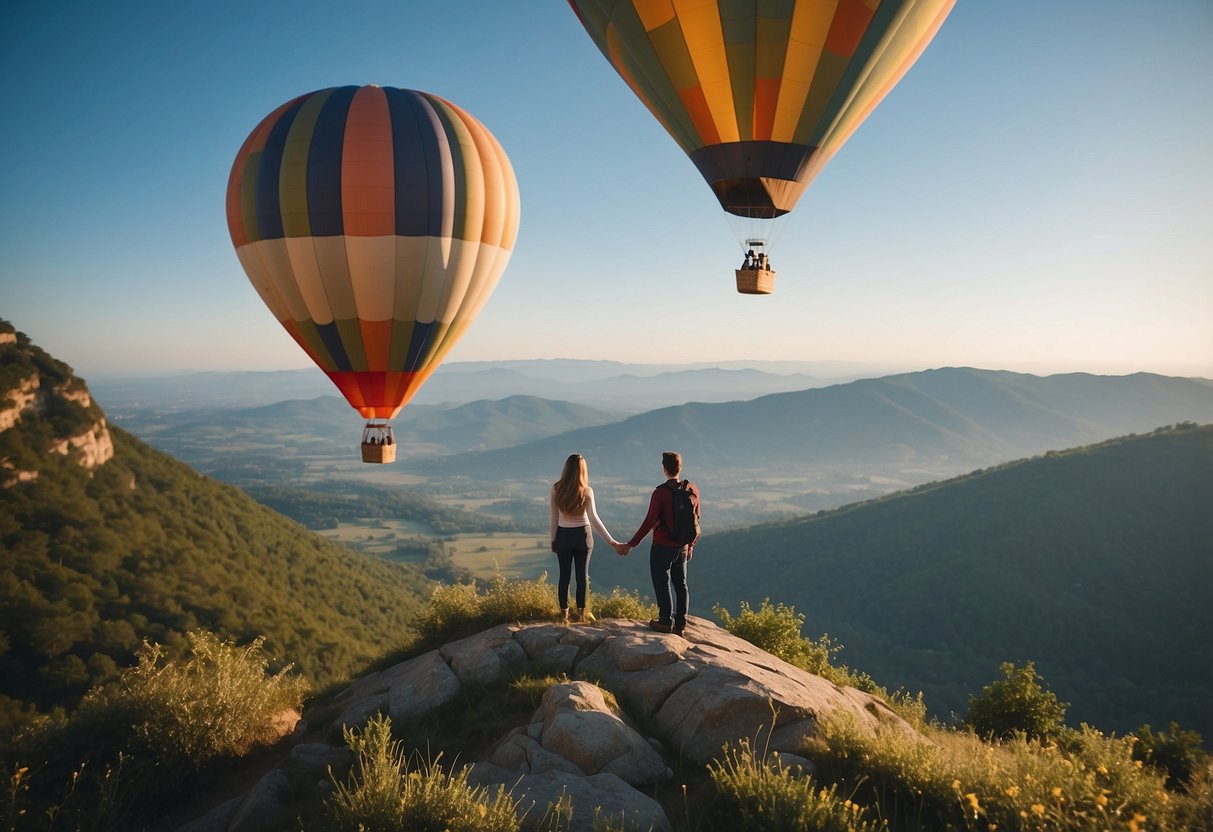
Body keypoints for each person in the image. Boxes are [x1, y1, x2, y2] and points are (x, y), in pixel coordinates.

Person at [616, 451, 700, 635]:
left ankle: (664, 621)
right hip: (683, 546)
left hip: (662, 546)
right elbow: (696, 520)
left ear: (664, 469)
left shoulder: (660, 493)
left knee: (662, 582)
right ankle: (681, 624)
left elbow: (649, 521)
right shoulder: (692, 489)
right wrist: (691, 545)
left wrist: (631, 544)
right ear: (680, 467)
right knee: (681, 584)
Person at [550, 453, 623, 624]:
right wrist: (611, 541)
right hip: (583, 536)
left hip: (563, 536)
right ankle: (581, 615)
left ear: (566, 469)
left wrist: (553, 540)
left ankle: (564, 615)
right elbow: (594, 519)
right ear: (583, 470)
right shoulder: (587, 491)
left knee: (564, 576)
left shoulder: (556, 489)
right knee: (582, 576)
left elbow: (553, 518)